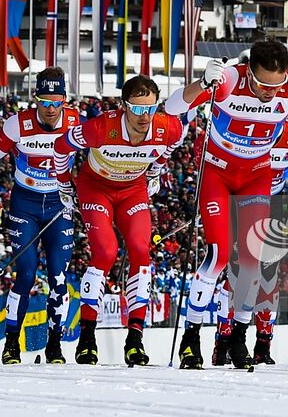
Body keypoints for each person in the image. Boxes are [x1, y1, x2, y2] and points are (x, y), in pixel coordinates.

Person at [163, 39, 288, 369]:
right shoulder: (228, 79)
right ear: (248, 72)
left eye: (276, 85)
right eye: (261, 85)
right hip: (217, 175)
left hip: (256, 175)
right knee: (219, 256)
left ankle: (240, 337)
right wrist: (201, 82)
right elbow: (172, 108)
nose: (269, 92)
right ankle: (191, 338)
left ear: (286, 73)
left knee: (254, 259)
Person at [53, 75, 183, 366]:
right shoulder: (101, 127)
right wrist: (64, 183)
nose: (144, 116)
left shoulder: (166, 126)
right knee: (106, 252)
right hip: (96, 188)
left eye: (150, 108)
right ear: (125, 107)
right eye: (137, 110)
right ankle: (87, 337)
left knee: (140, 250)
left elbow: (174, 141)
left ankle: (135, 338)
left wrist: (155, 172)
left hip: (132, 190)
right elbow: (62, 147)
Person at [213, 115, 288, 365]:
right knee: (237, 273)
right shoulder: (246, 129)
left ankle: (263, 345)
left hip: (273, 205)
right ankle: (224, 343)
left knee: (268, 274)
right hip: (241, 203)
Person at [0, 67, 80, 365]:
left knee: (58, 277)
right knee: (25, 273)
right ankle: (11, 343)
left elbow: (95, 154)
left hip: (58, 204)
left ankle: (55, 345)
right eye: (44, 102)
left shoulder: (76, 121)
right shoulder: (17, 124)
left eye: (56, 103)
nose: (51, 110)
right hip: (24, 203)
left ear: (64, 100)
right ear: (35, 99)